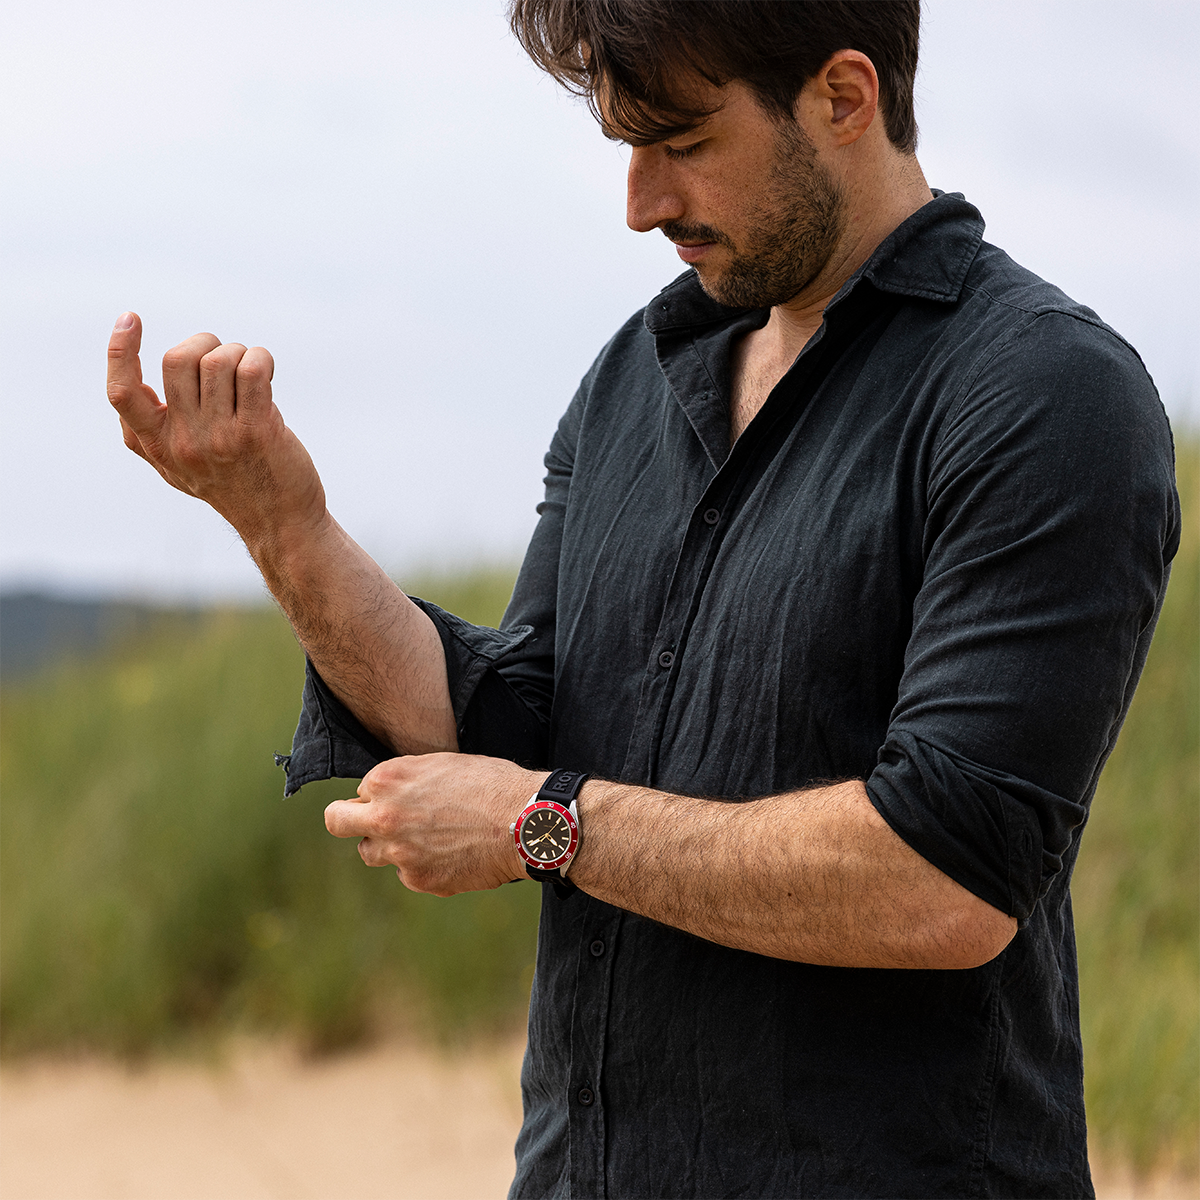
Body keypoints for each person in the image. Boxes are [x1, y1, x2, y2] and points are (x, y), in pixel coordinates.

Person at [106, 1, 1180, 1195]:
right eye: (625, 145)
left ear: (842, 96)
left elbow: (944, 880)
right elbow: (501, 731)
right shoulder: (637, 371)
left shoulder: (1043, 393)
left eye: (680, 141)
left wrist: (540, 824)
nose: (640, 202)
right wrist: (283, 529)